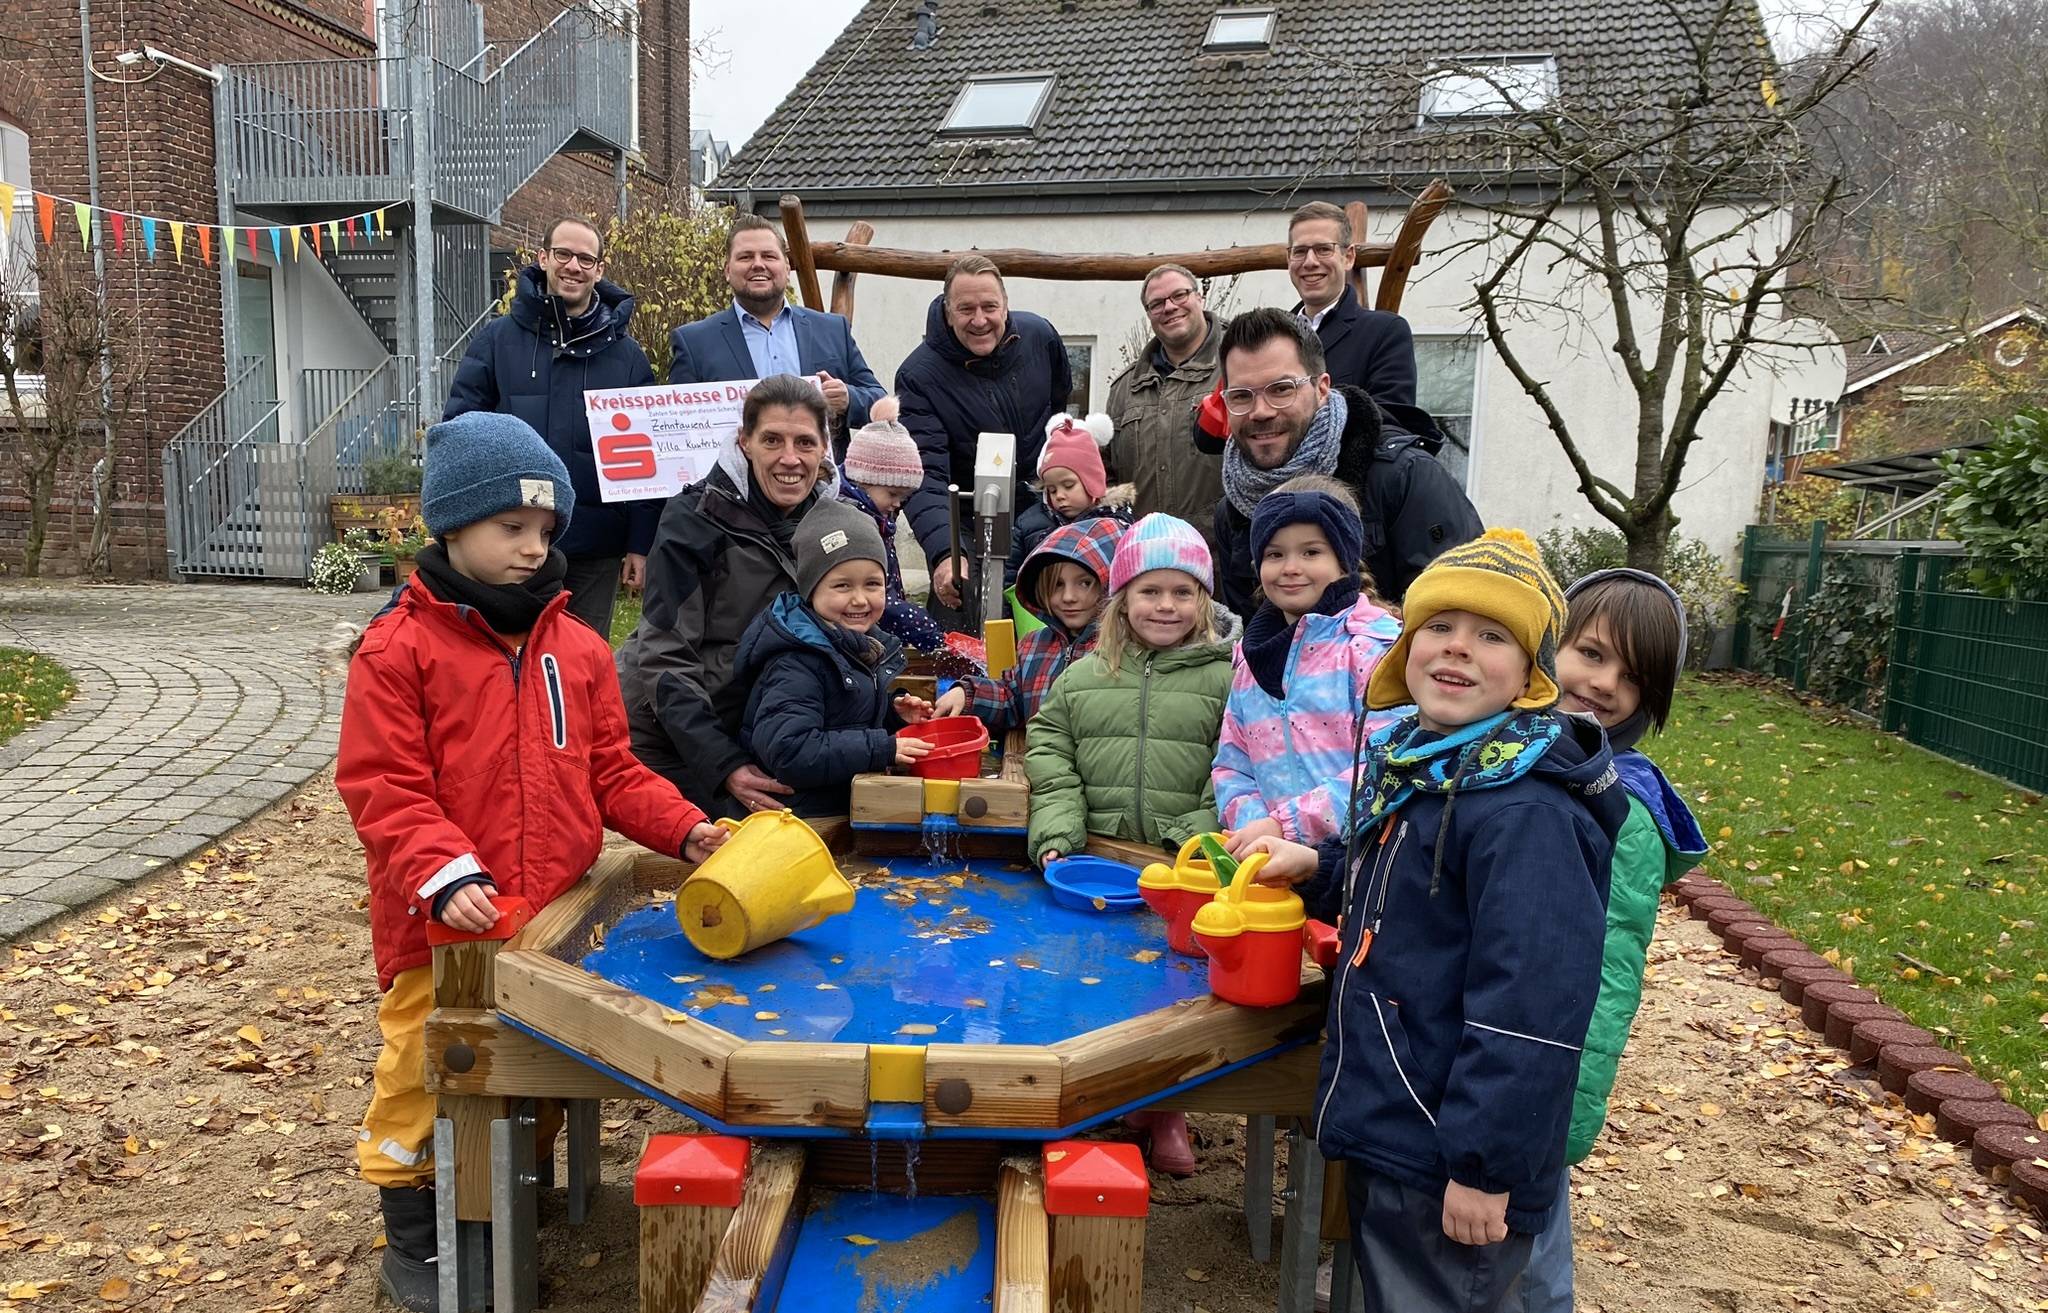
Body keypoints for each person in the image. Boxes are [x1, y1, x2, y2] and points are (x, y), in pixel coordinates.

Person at [335, 411, 728, 1312]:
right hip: (443, 925)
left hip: (548, 916)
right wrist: (446, 871)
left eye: (546, 531)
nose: (531, 547)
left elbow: (612, 771)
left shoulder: (578, 647)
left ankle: (501, 1197)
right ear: (452, 525)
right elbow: (383, 785)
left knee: (536, 1067)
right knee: (423, 1073)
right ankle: (417, 1232)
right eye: (511, 527)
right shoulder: (400, 648)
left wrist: (684, 828)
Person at [1239, 528, 1629, 1313]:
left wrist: (1485, 1168)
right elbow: (1415, 887)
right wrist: (1320, 868)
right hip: (1410, 1121)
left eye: (1491, 636)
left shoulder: (1526, 811)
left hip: (1457, 1149)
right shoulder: (1437, 763)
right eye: (1439, 629)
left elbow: (1531, 1010)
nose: (1457, 650)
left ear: (1530, 675)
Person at [1025, 513, 1238, 1180]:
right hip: (1099, 863)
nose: (1165, 606)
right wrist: (1059, 829)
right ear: (1121, 599)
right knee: (1093, 985)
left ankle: (1166, 1109)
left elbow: (1234, 764)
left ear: (1203, 599)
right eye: (1150, 591)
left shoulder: (1227, 677)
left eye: (1181, 592)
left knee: (1170, 996)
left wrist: (1194, 839)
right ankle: (1091, 1103)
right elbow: (1049, 750)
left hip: (1180, 870)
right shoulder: (1085, 676)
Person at [1519, 569, 1707, 1313]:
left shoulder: (1618, 808)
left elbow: (1609, 969)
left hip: (1542, 1075)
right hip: (1491, 1051)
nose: (1602, 683)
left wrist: (1568, 1107)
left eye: (1632, 677)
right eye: (1591, 653)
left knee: (1528, 1243)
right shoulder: (1519, 753)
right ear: (1550, 642)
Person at [616, 374, 836, 819]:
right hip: (667, 733)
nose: (789, 459)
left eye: (804, 443)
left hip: (762, 726)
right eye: (772, 440)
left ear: (824, 449)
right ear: (745, 442)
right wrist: (724, 765)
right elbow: (665, 657)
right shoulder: (693, 520)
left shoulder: (835, 522)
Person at [444, 216, 660, 638]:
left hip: (594, 543)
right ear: (543, 258)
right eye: (563, 254)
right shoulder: (497, 341)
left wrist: (640, 543)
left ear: (599, 269)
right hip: (510, 535)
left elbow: (643, 461)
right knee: (505, 654)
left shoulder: (628, 357)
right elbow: (460, 432)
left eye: (585, 258)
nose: (573, 266)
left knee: (582, 661)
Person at [1207, 308, 1480, 613]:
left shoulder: (1401, 477)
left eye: (1281, 389)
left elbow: (1464, 615)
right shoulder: (1234, 509)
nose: (1261, 411)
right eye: (1242, 396)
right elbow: (1248, 635)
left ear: (1321, 388)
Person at [1213, 476, 1406, 850]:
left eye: (1311, 552)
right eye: (1274, 554)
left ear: (1344, 559)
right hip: (1267, 862)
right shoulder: (1252, 662)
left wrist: (1285, 827)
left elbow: (1388, 763)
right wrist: (1258, 830)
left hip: (1358, 863)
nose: (1290, 567)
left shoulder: (1375, 650)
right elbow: (1232, 766)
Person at [732, 499, 936, 817]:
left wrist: (892, 717)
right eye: (842, 585)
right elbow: (791, 752)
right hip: (800, 821)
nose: (859, 599)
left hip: (839, 810)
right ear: (811, 590)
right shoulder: (796, 662)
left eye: (872, 584)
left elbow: (844, 720)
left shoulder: (860, 646)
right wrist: (882, 747)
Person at [896, 253, 1073, 613]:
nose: (980, 320)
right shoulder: (918, 376)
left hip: (1039, 507)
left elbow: (1057, 413)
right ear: (948, 312)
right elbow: (925, 474)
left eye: (989, 306)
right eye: (966, 309)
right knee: (962, 602)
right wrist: (948, 553)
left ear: (1006, 305)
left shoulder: (1040, 337)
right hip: (966, 519)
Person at [669, 214, 886, 447]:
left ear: (787, 266)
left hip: (823, 480)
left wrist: (848, 399)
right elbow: (679, 428)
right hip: (736, 482)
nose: (758, 264)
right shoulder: (694, 343)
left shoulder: (832, 329)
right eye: (745, 257)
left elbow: (880, 401)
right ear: (727, 271)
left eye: (769, 256)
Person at [935, 516, 1124, 731]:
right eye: (1057, 585)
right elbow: (1012, 698)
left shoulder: (1121, 649)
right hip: (1040, 761)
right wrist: (968, 694)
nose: (1069, 597)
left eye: (1085, 583)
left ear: (1111, 585)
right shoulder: (1035, 645)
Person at [1281, 201, 1433, 429]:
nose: (1310, 262)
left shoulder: (1384, 332)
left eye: (1323, 249)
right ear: (1288, 259)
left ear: (1348, 257)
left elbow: (1391, 420)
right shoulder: (1273, 336)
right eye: (1300, 251)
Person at [1105, 264, 1226, 540]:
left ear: (1199, 297)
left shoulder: (1236, 366)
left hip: (1219, 556)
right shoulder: (1125, 388)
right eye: (1157, 303)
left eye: (1179, 295)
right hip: (1145, 552)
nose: (1169, 307)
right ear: (1149, 315)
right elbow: (1107, 473)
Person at [838, 396, 949, 654]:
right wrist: (920, 625)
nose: (897, 504)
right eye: (892, 493)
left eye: (903, 497)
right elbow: (878, 597)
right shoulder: (853, 526)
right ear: (864, 480)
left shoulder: (877, 520)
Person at [1006, 411, 1129, 581]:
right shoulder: (1028, 524)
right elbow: (1011, 576)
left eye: (1069, 486)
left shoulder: (1119, 524)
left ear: (1092, 481)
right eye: (1052, 490)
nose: (1060, 496)